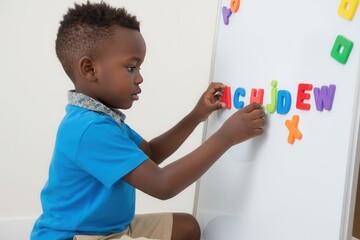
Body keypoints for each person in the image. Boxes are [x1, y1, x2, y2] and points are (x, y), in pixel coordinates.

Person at [30, 2, 265, 240]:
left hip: (112, 229)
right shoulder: (89, 128)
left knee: (186, 227)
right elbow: (162, 186)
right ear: (90, 69)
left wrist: (196, 116)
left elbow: (150, 153)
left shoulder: (103, 117)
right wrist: (226, 137)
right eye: (131, 67)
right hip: (78, 236)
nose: (140, 78)